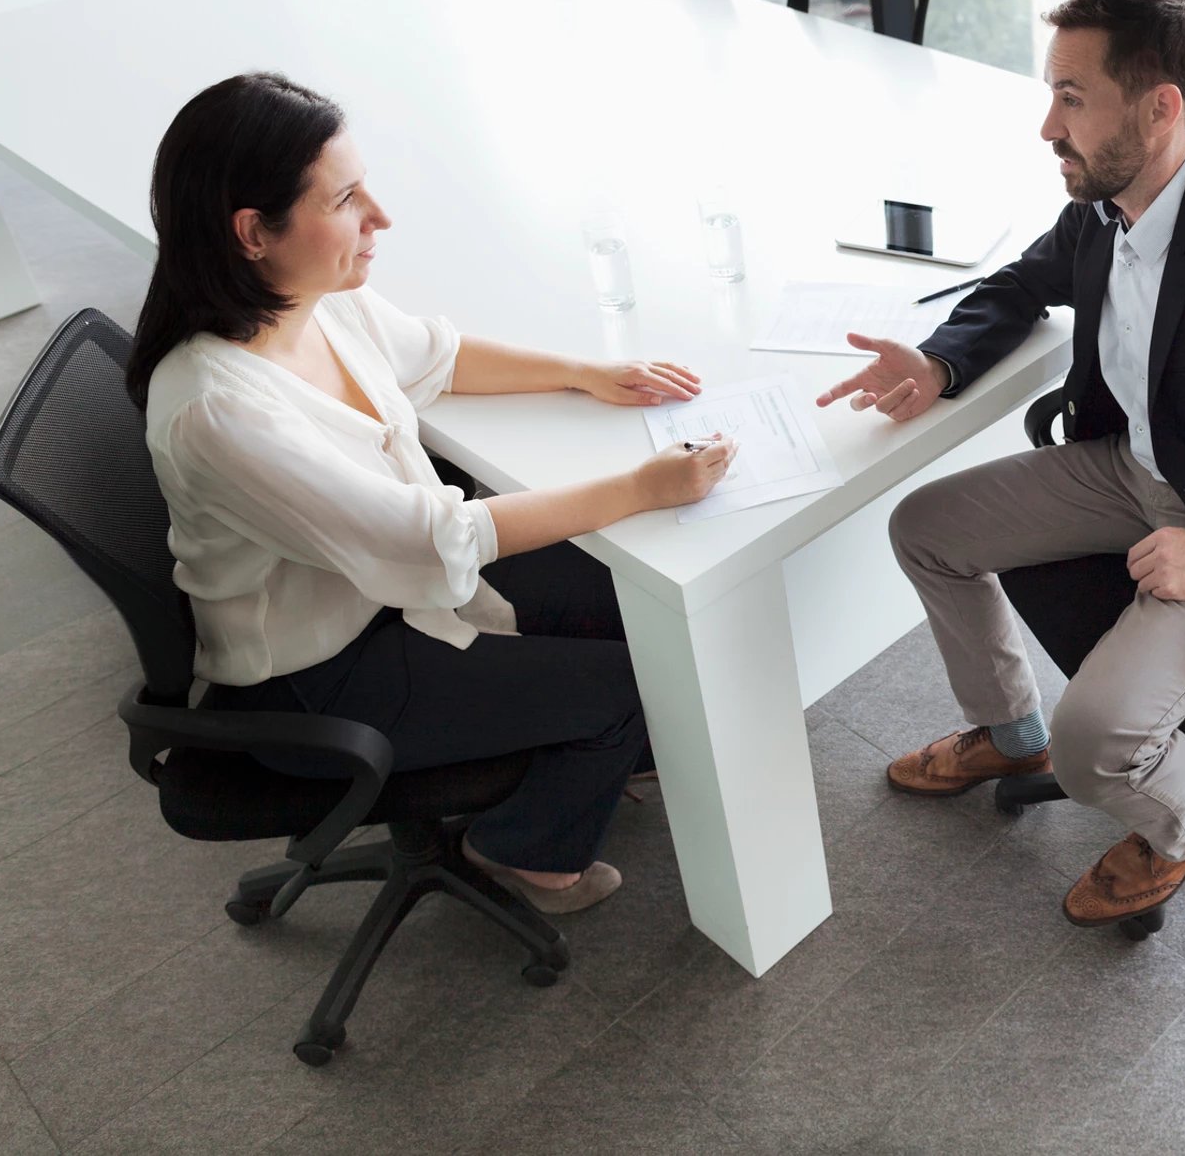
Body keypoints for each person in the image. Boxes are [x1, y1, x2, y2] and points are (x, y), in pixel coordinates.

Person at [818, 0, 1185, 928]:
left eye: (1071, 97)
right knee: (925, 527)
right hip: (1132, 463)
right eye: (1052, 94)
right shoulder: (1107, 197)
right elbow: (1020, 284)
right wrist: (938, 362)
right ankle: (1009, 734)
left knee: (1091, 747)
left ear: (1160, 106)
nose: (1048, 126)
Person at [127, 72, 736, 914]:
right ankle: (521, 852)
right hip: (321, 673)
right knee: (640, 681)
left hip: (385, 593)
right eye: (345, 199)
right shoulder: (220, 409)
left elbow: (434, 355)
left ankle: (584, 752)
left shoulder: (317, 300)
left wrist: (587, 373)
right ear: (252, 232)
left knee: (620, 588)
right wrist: (640, 485)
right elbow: (432, 543)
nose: (379, 216)